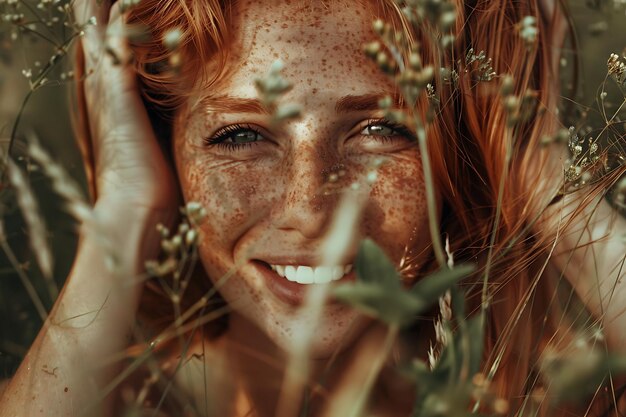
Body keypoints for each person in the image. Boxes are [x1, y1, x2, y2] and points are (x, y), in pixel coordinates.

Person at [1, 0, 625, 416]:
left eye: (381, 129)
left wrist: (545, 183)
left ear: (459, 151)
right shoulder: (101, 399)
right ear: (164, 150)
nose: (311, 211)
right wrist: (126, 213)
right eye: (241, 136)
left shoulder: (557, 397)